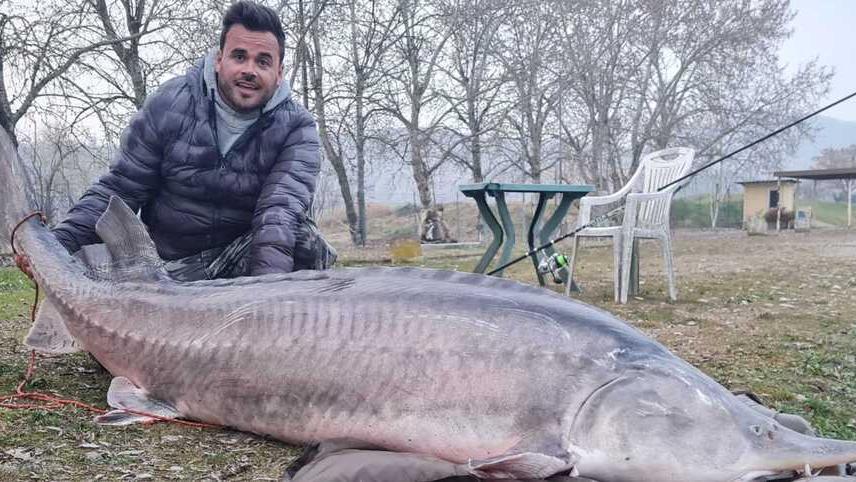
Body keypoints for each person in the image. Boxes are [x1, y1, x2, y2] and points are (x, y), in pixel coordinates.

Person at [46, 1, 334, 281]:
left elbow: (278, 215)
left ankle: (270, 322)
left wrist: (264, 297)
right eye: (239, 56)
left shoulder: (298, 128)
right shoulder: (169, 103)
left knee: (305, 240)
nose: (249, 69)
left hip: (239, 264)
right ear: (219, 59)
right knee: (77, 267)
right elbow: (119, 190)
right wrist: (53, 249)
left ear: (279, 73)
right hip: (165, 266)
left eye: (263, 61)